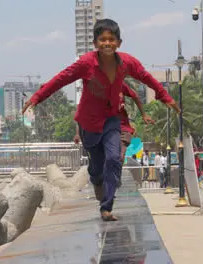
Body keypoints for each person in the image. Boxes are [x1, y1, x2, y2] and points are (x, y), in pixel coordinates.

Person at [22, 18, 180, 221]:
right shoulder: (87, 63)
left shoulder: (127, 63)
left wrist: (165, 96)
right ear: (95, 43)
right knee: (96, 168)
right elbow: (61, 79)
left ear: (119, 43)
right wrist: (37, 97)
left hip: (112, 119)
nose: (107, 43)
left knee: (114, 159)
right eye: (102, 39)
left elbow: (147, 78)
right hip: (89, 123)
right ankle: (96, 180)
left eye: (111, 39)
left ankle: (107, 207)